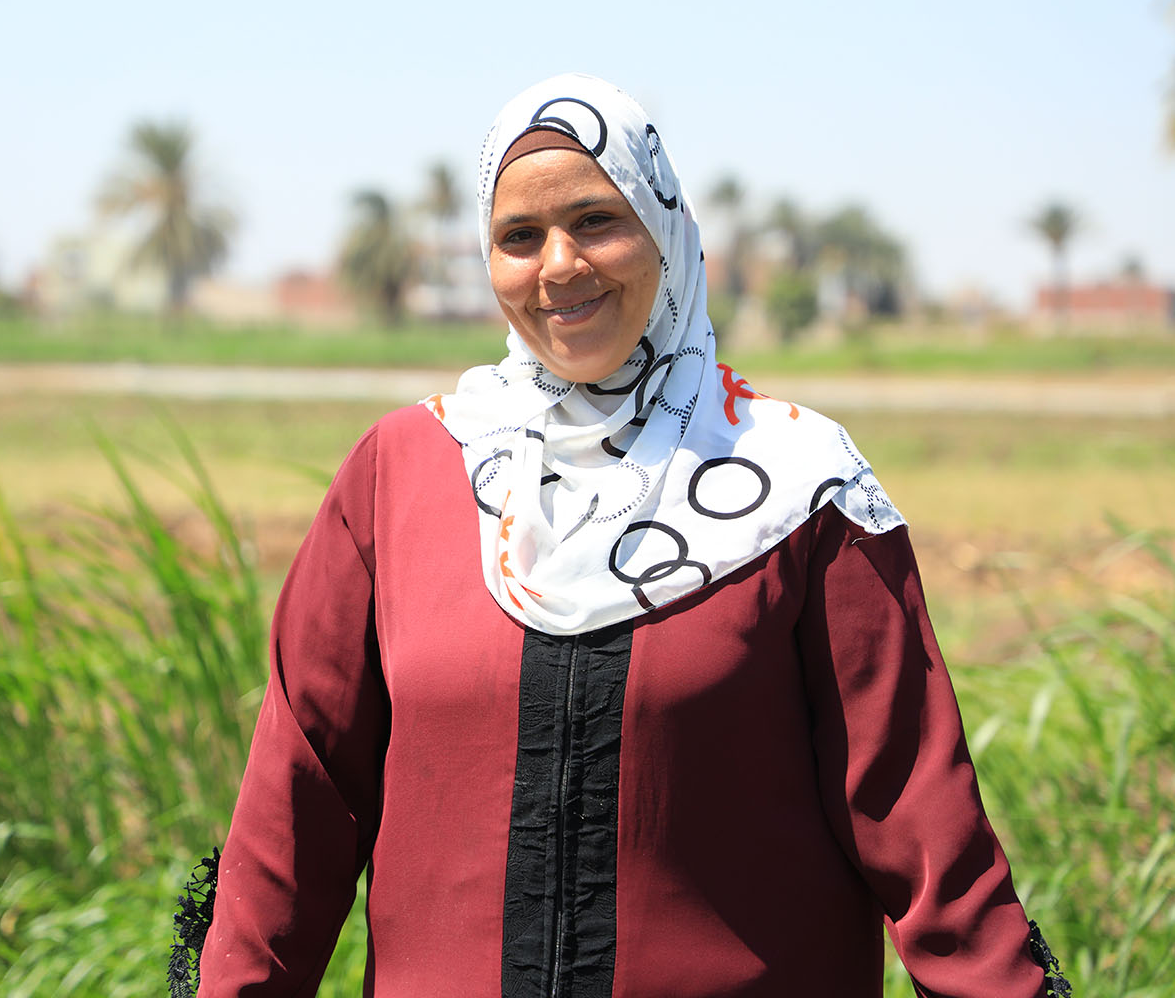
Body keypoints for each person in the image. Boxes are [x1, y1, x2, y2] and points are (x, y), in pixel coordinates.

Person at [185, 74, 1068, 997]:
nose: (559, 265)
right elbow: (299, 802)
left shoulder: (801, 486)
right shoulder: (404, 473)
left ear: (667, 228)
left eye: (597, 221)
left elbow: (919, 817)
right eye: (518, 237)